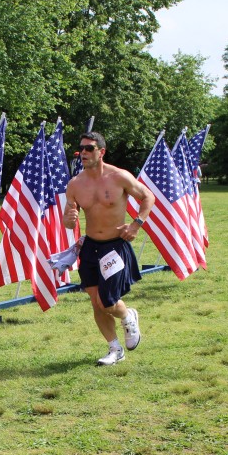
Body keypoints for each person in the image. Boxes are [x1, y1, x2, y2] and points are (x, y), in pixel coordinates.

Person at [62, 132, 152, 366]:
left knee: (107, 302)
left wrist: (136, 224)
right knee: (95, 302)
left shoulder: (119, 177)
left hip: (115, 246)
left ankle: (127, 315)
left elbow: (147, 197)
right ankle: (115, 349)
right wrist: (69, 219)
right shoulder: (75, 184)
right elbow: (68, 220)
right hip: (90, 247)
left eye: (89, 148)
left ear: (101, 152)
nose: (83, 153)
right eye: (81, 149)